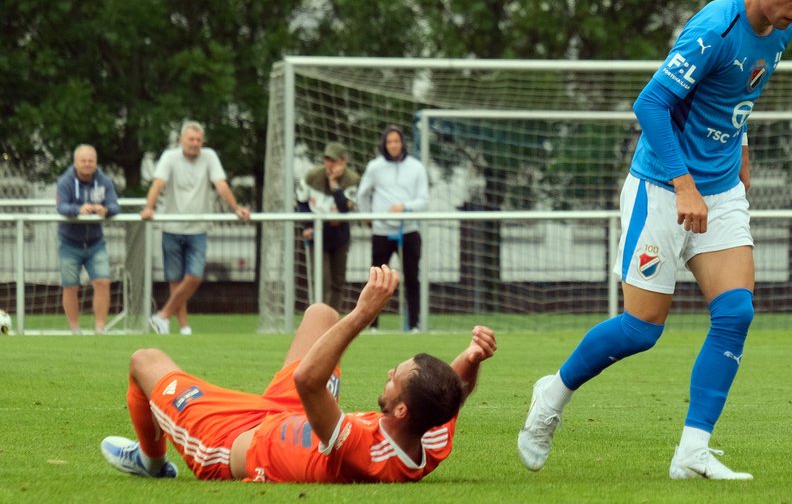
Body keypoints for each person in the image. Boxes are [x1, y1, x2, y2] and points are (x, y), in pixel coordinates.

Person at [518, 0, 792, 480]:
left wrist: (741, 152)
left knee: (735, 312)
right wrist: (684, 185)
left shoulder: (780, 33)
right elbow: (650, 105)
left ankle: (692, 451)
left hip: (721, 192)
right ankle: (551, 396)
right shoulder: (714, 27)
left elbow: (736, 98)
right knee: (642, 328)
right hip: (662, 190)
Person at [99, 264, 497, 484]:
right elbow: (454, 387)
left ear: (402, 412)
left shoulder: (367, 456)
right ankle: (152, 457)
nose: (390, 372)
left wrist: (364, 315)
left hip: (234, 441)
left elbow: (307, 381)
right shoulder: (431, 429)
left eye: (396, 378)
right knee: (321, 315)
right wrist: (473, 356)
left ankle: (151, 462)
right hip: (292, 412)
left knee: (144, 359)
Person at [140, 121, 251, 335]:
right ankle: (183, 327)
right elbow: (158, 183)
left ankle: (162, 316)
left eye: (199, 140)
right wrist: (149, 207)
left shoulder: (209, 156)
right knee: (175, 280)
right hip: (172, 227)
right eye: (191, 139)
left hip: (197, 228)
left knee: (194, 276)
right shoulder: (170, 157)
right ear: (181, 140)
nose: (195, 144)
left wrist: (236, 208)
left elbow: (220, 184)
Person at [357, 125, 429, 332]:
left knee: (412, 278)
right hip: (381, 230)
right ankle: (372, 326)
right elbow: (363, 194)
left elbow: (423, 200)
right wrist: (367, 217)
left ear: (402, 143)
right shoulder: (374, 167)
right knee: (377, 280)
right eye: (389, 142)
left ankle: (414, 325)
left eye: (396, 141)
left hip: (408, 230)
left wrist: (405, 207)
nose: (393, 145)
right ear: (384, 144)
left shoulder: (416, 167)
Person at [55, 144, 120, 334]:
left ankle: (100, 328)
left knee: (103, 282)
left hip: (95, 243)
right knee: (70, 286)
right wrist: (79, 210)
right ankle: (75, 329)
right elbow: (61, 207)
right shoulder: (65, 181)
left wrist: (105, 210)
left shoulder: (104, 182)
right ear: (75, 162)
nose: (87, 164)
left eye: (90, 160)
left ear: (96, 162)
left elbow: (115, 205)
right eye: (83, 160)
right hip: (69, 243)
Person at [296, 142, 359, 309]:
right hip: (317, 232)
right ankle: (319, 318)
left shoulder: (352, 179)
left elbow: (345, 208)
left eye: (334, 160)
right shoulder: (312, 176)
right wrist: (308, 226)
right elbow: (301, 203)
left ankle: (333, 318)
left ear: (343, 161)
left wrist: (334, 185)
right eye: (327, 160)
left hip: (339, 235)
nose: (329, 165)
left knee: (338, 281)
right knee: (322, 280)